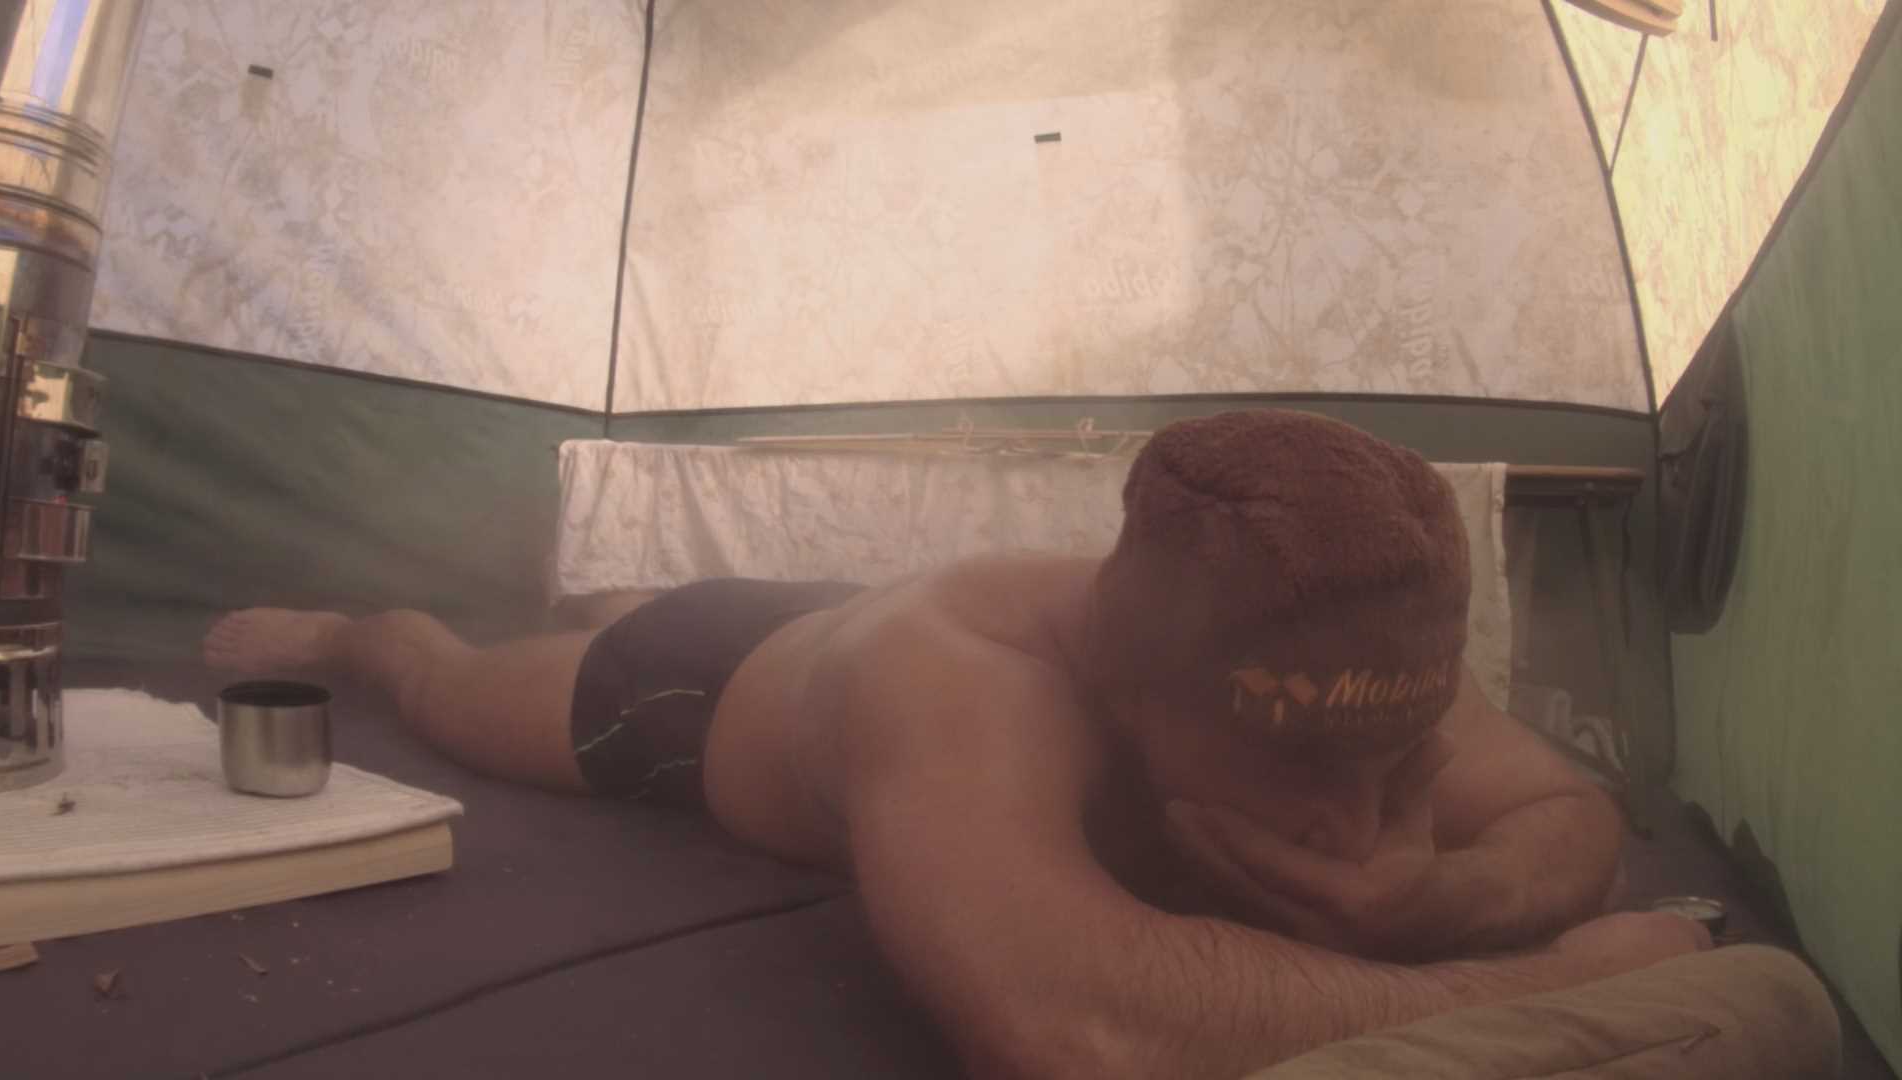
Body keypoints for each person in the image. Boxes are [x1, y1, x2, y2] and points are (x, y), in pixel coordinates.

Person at [204, 409, 1710, 1078]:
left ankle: (630, 586)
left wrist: (1456, 891)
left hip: (834, 634)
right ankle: (361, 631)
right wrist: (1563, 981)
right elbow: (1084, 1034)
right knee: (453, 686)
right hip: (702, 690)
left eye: (1405, 762)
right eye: (1305, 774)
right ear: (1126, 691)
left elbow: (1565, 812)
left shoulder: (1343, 645)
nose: (1361, 814)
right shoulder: (964, 679)